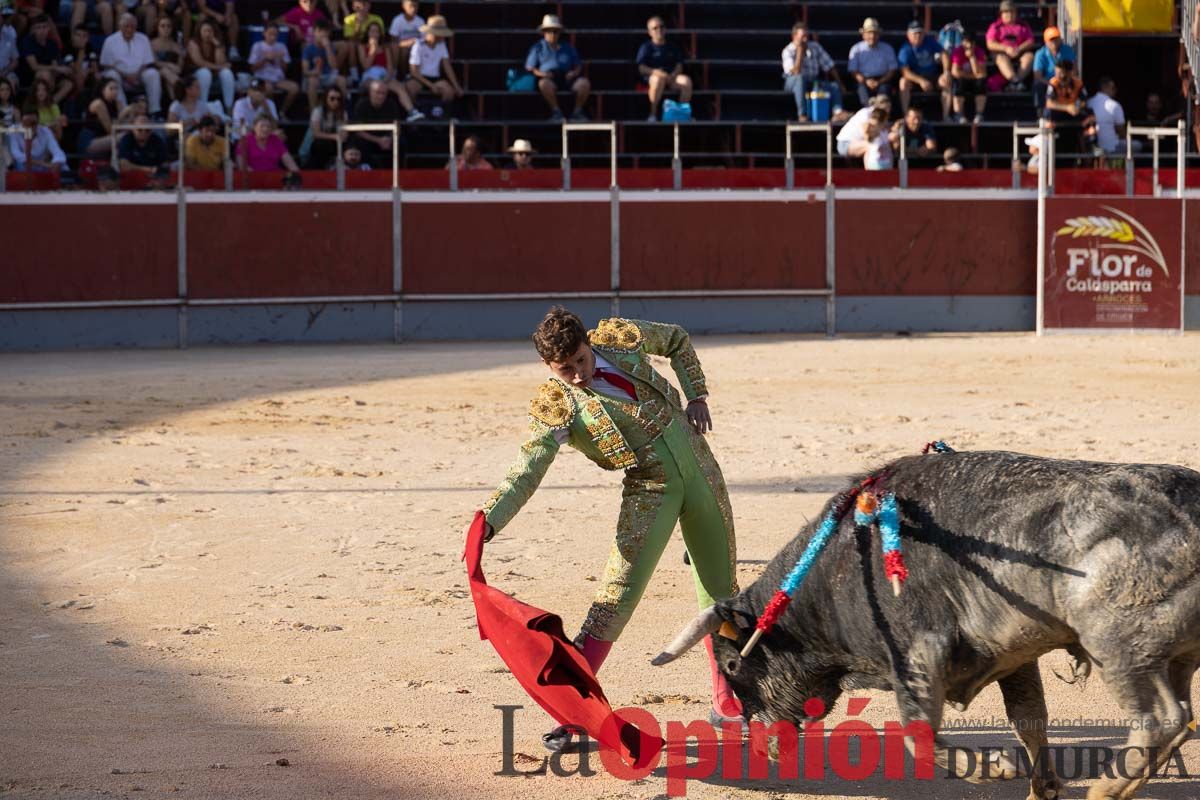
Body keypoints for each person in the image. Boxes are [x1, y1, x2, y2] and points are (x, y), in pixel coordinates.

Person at [471, 308, 741, 752]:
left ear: (588, 345)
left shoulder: (621, 339)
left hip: (702, 472)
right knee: (615, 597)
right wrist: (491, 518)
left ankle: (725, 696)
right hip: (650, 491)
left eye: (580, 360)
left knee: (719, 591)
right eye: (565, 369)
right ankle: (577, 712)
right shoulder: (558, 407)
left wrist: (697, 395)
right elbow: (527, 470)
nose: (577, 375)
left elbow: (676, 339)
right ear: (547, 367)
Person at [525, 14, 588, 122]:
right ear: (544, 32)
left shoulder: (568, 47)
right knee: (543, 84)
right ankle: (556, 112)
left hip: (567, 79)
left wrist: (573, 73)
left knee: (584, 83)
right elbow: (530, 67)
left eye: (555, 31)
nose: (552, 34)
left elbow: (578, 65)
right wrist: (543, 74)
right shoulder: (538, 47)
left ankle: (577, 113)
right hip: (549, 78)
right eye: (549, 31)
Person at [781, 22, 847, 123]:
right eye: (802, 36)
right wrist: (800, 52)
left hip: (812, 81)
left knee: (833, 86)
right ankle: (802, 115)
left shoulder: (814, 46)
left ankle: (838, 112)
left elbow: (829, 65)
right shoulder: (788, 51)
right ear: (794, 36)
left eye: (807, 36)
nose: (805, 39)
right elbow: (795, 72)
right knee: (800, 79)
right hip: (792, 82)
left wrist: (841, 84)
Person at [100, 13, 162, 115]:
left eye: (132, 27)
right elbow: (107, 65)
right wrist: (125, 76)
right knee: (111, 75)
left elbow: (147, 62)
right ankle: (124, 112)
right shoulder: (110, 41)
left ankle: (154, 111)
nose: (129, 29)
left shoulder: (143, 39)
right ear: (120, 26)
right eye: (126, 26)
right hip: (120, 75)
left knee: (153, 74)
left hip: (139, 75)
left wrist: (136, 75)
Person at [403, 14, 460, 116]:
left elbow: (447, 66)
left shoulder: (442, 45)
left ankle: (442, 116)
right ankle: (413, 115)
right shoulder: (418, 45)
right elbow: (414, 71)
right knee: (410, 88)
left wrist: (456, 86)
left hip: (435, 78)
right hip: (419, 78)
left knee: (449, 91)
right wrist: (430, 85)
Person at [636, 16, 690, 122]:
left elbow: (679, 65)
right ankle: (652, 115)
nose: (659, 30)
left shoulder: (672, 46)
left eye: (661, 27)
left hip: (671, 77)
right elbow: (641, 68)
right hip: (654, 78)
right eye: (655, 28)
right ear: (649, 32)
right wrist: (656, 73)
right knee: (657, 80)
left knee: (686, 81)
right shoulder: (646, 47)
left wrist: (673, 75)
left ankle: (680, 116)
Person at [1044, 60, 1096, 153]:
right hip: (1059, 112)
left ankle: (1089, 140)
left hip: (1073, 111)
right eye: (1056, 72)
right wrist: (1067, 108)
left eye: (1060, 73)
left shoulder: (1078, 83)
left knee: (1089, 113)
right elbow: (1049, 103)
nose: (1058, 75)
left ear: (1069, 72)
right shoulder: (1053, 83)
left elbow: (1084, 101)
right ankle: (1048, 136)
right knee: (1047, 112)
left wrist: (1077, 107)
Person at [248, 22, 298, 118]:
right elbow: (252, 68)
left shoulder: (282, 47)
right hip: (262, 77)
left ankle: (282, 111)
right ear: (264, 33)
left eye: (275, 34)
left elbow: (285, 69)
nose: (273, 37)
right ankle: (270, 114)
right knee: (269, 88)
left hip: (278, 78)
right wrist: (265, 59)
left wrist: (281, 60)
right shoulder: (257, 46)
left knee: (294, 88)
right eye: (270, 34)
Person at [19, 14, 71, 103]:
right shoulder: (28, 42)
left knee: (68, 84)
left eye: (44, 27)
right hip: (30, 76)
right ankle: (42, 105)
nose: (42, 30)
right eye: (38, 27)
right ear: (34, 29)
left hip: (49, 76)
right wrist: (56, 68)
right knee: (45, 74)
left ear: (48, 29)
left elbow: (54, 65)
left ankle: (51, 103)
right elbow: (34, 67)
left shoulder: (52, 44)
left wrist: (61, 71)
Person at [898, 20, 946, 117]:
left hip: (932, 76)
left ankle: (946, 116)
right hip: (915, 79)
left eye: (920, 33)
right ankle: (905, 115)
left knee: (946, 81)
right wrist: (921, 81)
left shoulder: (930, 42)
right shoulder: (905, 49)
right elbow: (905, 72)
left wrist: (946, 72)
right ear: (908, 34)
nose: (918, 36)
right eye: (915, 33)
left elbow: (944, 54)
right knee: (903, 82)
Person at [350, 77, 400, 167]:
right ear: (370, 93)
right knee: (358, 141)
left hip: (386, 139)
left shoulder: (391, 105)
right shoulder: (361, 105)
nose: (381, 96)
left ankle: (398, 171)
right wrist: (378, 140)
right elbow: (357, 131)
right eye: (377, 93)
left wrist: (390, 139)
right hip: (369, 138)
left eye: (383, 93)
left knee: (401, 142)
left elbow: (397, 126)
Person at [848, 17, 896, 108]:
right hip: (863, 80)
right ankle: (868, 112)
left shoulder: (887, 49)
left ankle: (881, 114)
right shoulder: (856, 49)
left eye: (875, 33)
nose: (872, 36)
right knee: (862, 91)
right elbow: (854, 71)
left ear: (879, 35)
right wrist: (866, 81)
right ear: (863, 35)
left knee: (884, 94)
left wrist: (880, 81)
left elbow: (892, 70)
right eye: (869, 33)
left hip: (883, 80)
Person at [986, 0, 1034, 91]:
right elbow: (990, 43)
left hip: (1019, 51)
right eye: (1006, 12)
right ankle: (1015, 81)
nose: (1009, 14)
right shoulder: (995, 26)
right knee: (1001, 58)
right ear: (1001, 14)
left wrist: (1019, 49)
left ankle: (1016, 82)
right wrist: (1006, 49)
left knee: (1029, 57)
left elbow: (1030, 41)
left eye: (1012, 12)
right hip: (1001, 53)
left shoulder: (1023, 25)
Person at [187, 18, 233, 112]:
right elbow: (199, 62)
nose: (207, 33)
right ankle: (203, 107)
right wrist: (219, 67)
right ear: (199, 31)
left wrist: (217, 45)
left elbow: (221, 62)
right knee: (205, 73)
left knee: (227, 73)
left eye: (210, 31)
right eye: (205, 31)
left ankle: (229, 108)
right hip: (196, 73)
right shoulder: (193, 43)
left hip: (214, 74)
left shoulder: (217, 43)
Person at [301, 18, 344, 114]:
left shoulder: (330, 46)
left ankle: (341, 111)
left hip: (327, 75)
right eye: (320, 32)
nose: (323, 35)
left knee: (342, 80)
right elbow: (305, 71)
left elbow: (333, 66)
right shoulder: (308, 48)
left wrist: (328, 48)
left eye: (326, 32)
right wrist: (313, 72)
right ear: (315, 32)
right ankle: (314, 114)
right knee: (312, 82)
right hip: (313, 77)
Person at [1088, 76, 1139, 156]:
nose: (1115, 91)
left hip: (1093, 149)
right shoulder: (1114, 105)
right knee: (1138, 145)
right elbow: (1121, 131)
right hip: (1110, 149)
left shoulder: (1089, 102)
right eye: (1113, 88)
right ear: (1105, 87)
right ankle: (1129, 168)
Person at [117, 111, 170, 183]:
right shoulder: (126, 140)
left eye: (147, 130)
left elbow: (165, 165)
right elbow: (124, 166)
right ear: (133, 129)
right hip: (131, 180)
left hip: (153, 181)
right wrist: (148, 169)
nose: (143, 133)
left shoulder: (157, 141)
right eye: (140, 130)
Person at [7, 106, 64, 171]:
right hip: (22, 167)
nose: (29, 126)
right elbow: (17, 154)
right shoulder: (13, 130)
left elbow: (58, 152)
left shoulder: (45, 131)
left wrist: (56, 163)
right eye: (26, 123)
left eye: (33, 123)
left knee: (63, 167)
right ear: (21, 122)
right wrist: (41, 163)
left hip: (43, 167)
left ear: (38, 122)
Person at [76, 75, 121, 153]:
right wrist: (125, 112)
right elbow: (110, 130)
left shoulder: (118, 103)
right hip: (90, 141)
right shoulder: (98, 104)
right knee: (123, 137)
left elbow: (124, 124)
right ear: (103, 90)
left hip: (106, 138)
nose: (115, 92)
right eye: (111, 89)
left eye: (116, 89)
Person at [1032, 26, 1074, 110]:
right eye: (1051, 39)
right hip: (1047, 82)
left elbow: (1074, 70)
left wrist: (1064, 81)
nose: (1054, 42)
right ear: (1046, 41)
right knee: (1038, 85)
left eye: (1056, 38)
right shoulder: (1040, 54)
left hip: (1065, 80)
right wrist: (1052, 84)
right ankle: (1040, 112)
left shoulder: (1068, 50)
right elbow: (1038, 76)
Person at [302, 85, 344, 167]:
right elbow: (316, 134)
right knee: (322, 144)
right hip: (316, 144)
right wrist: (335, 136)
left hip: (334, 143)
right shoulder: (318, 111)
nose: (336, 102)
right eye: (332, 98)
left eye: (338, 99)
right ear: (326, 98)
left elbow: (343, 134)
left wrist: (340, 136)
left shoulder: (342, 113)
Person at [949, 33, 987, 123]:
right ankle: (958, 114)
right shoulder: (958, 51)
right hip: (963, 79)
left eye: (971, 43)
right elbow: (955, 72)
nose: (969, 45)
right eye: (966, 42)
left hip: (974, 81)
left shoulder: (979, 52)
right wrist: (972, 76)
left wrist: (972, 57)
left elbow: (981, 73)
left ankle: (979, 114)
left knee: (981, 83)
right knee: (958, 83)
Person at [149, 15, 182, 102]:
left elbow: (179, 67)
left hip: (172, 75)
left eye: (168, 26)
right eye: (162, 26)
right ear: (157, 28)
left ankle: (175, 103)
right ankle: (180, 85)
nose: (166, 28)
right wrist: (169, 65)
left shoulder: (176, 46)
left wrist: (174, 68)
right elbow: (154, 62)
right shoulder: (152, 44)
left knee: (168, 78)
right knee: (164, 71)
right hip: (156, 73)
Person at [66, 24, 100, 98]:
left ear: (88, 38)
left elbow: (95, 67)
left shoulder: (90, 47)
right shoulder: (68, 49)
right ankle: (81, 101)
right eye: (78, 35)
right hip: (71, 75)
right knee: (79, 77)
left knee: (98, 77)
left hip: (86, 74)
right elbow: (75, 69)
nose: (81, 38)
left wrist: (88, 71)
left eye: (84, 36)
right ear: (73, 37)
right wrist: (82, 50)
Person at [387, 0, 421, 67]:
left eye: (416, 6)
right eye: (411, 6)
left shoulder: (420, 21)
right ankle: (396, 71)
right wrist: (405, 43)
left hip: (417, 47)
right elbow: (393, 40)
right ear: (403, 6)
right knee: (402, 50)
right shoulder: (397, 20)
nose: (413, 9)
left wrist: (414, 43)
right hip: (401, 47)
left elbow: (424, 39)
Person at [0, 6, 18, 91]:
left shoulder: (9, 36)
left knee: (12, 81)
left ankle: (9, 104)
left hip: (6, 72)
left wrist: (4, 72)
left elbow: (15, 61)